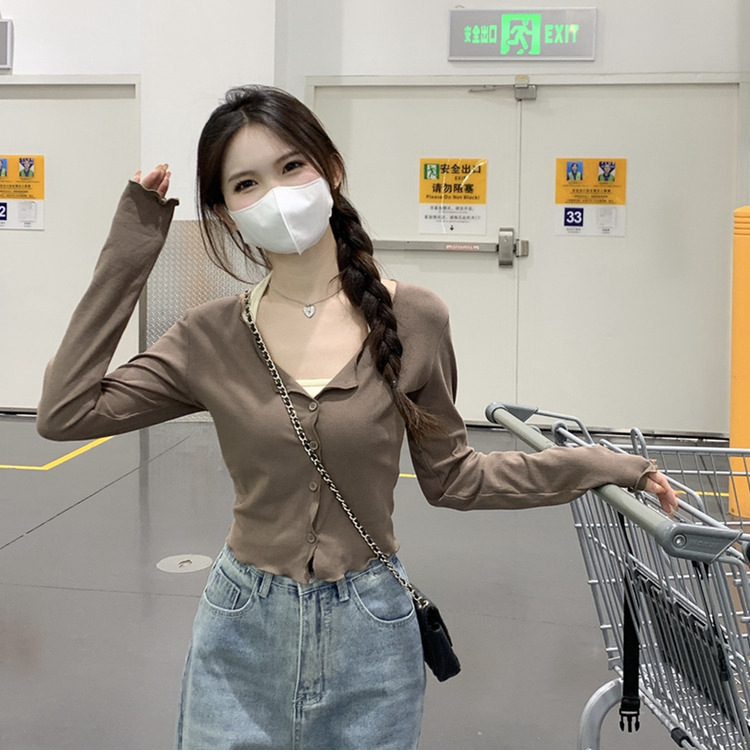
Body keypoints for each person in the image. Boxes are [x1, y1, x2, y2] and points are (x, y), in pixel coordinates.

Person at [36, 85, 678, 750]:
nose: (277, 195)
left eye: (291, 167)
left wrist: (603, 464)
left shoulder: (416, 319)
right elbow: (64, 410)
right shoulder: (210, 336)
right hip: (241, 633)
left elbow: (456, 477)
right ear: (226, 214)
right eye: (247, 184)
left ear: (331, 170)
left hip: (372, 635)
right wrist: (134, 245)